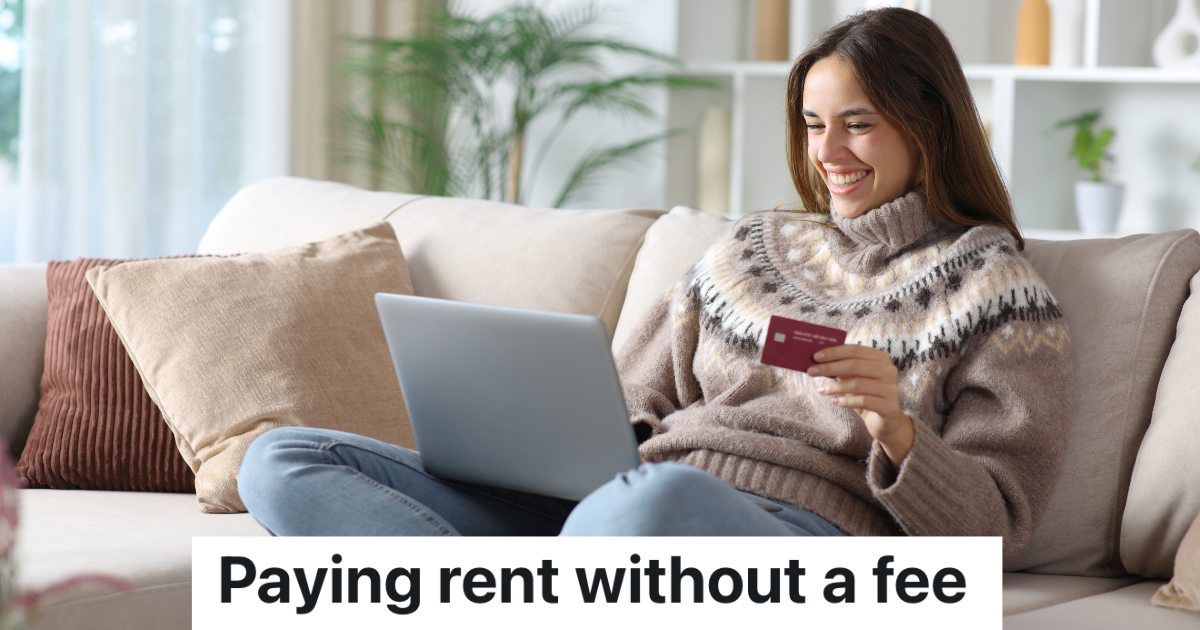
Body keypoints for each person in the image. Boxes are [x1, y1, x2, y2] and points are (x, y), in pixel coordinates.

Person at [238, 8, 1072, 561]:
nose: (829, 150)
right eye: (815, 124)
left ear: (928, 123)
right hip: (625, 503)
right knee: (283, 459)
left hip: (772, 535)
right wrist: (550, 444)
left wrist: (897, 430)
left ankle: (534, 582)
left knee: (657, 499)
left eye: (859, 122)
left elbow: (992, 529)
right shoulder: (746, 251)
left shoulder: (997, 289)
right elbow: (629, 413)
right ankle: (535, 587)